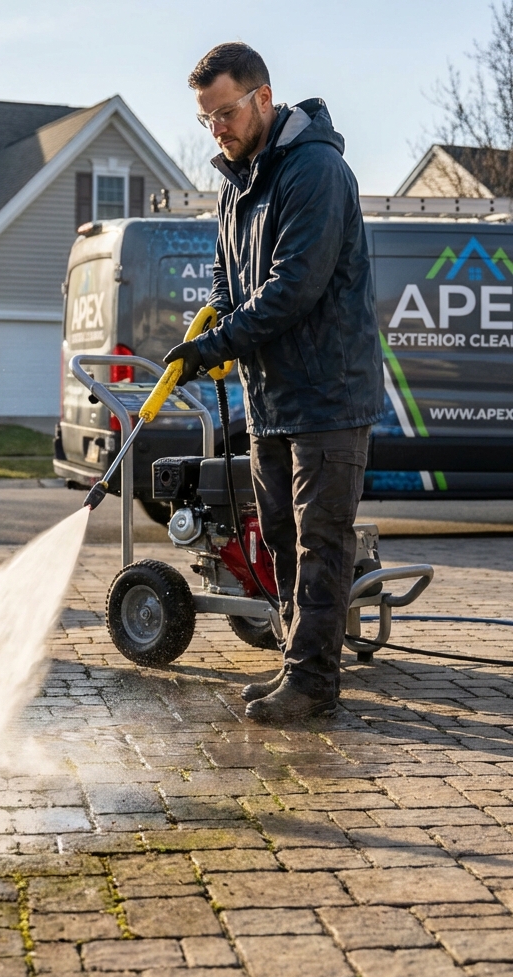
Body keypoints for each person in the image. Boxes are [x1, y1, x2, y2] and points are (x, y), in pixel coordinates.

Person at [164, 42, 384, 724]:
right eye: (207, 120)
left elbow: (295, 288)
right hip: (271, 400)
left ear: (262, 98)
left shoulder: (314, 169)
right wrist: (217, 329)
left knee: (322, 542)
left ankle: (315, 684)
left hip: (328, 394)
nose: (217, 129)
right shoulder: (236, 182)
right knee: (282, 541)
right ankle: (297, 663)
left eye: (225, 112)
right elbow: (229, 283)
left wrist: (217, 346)